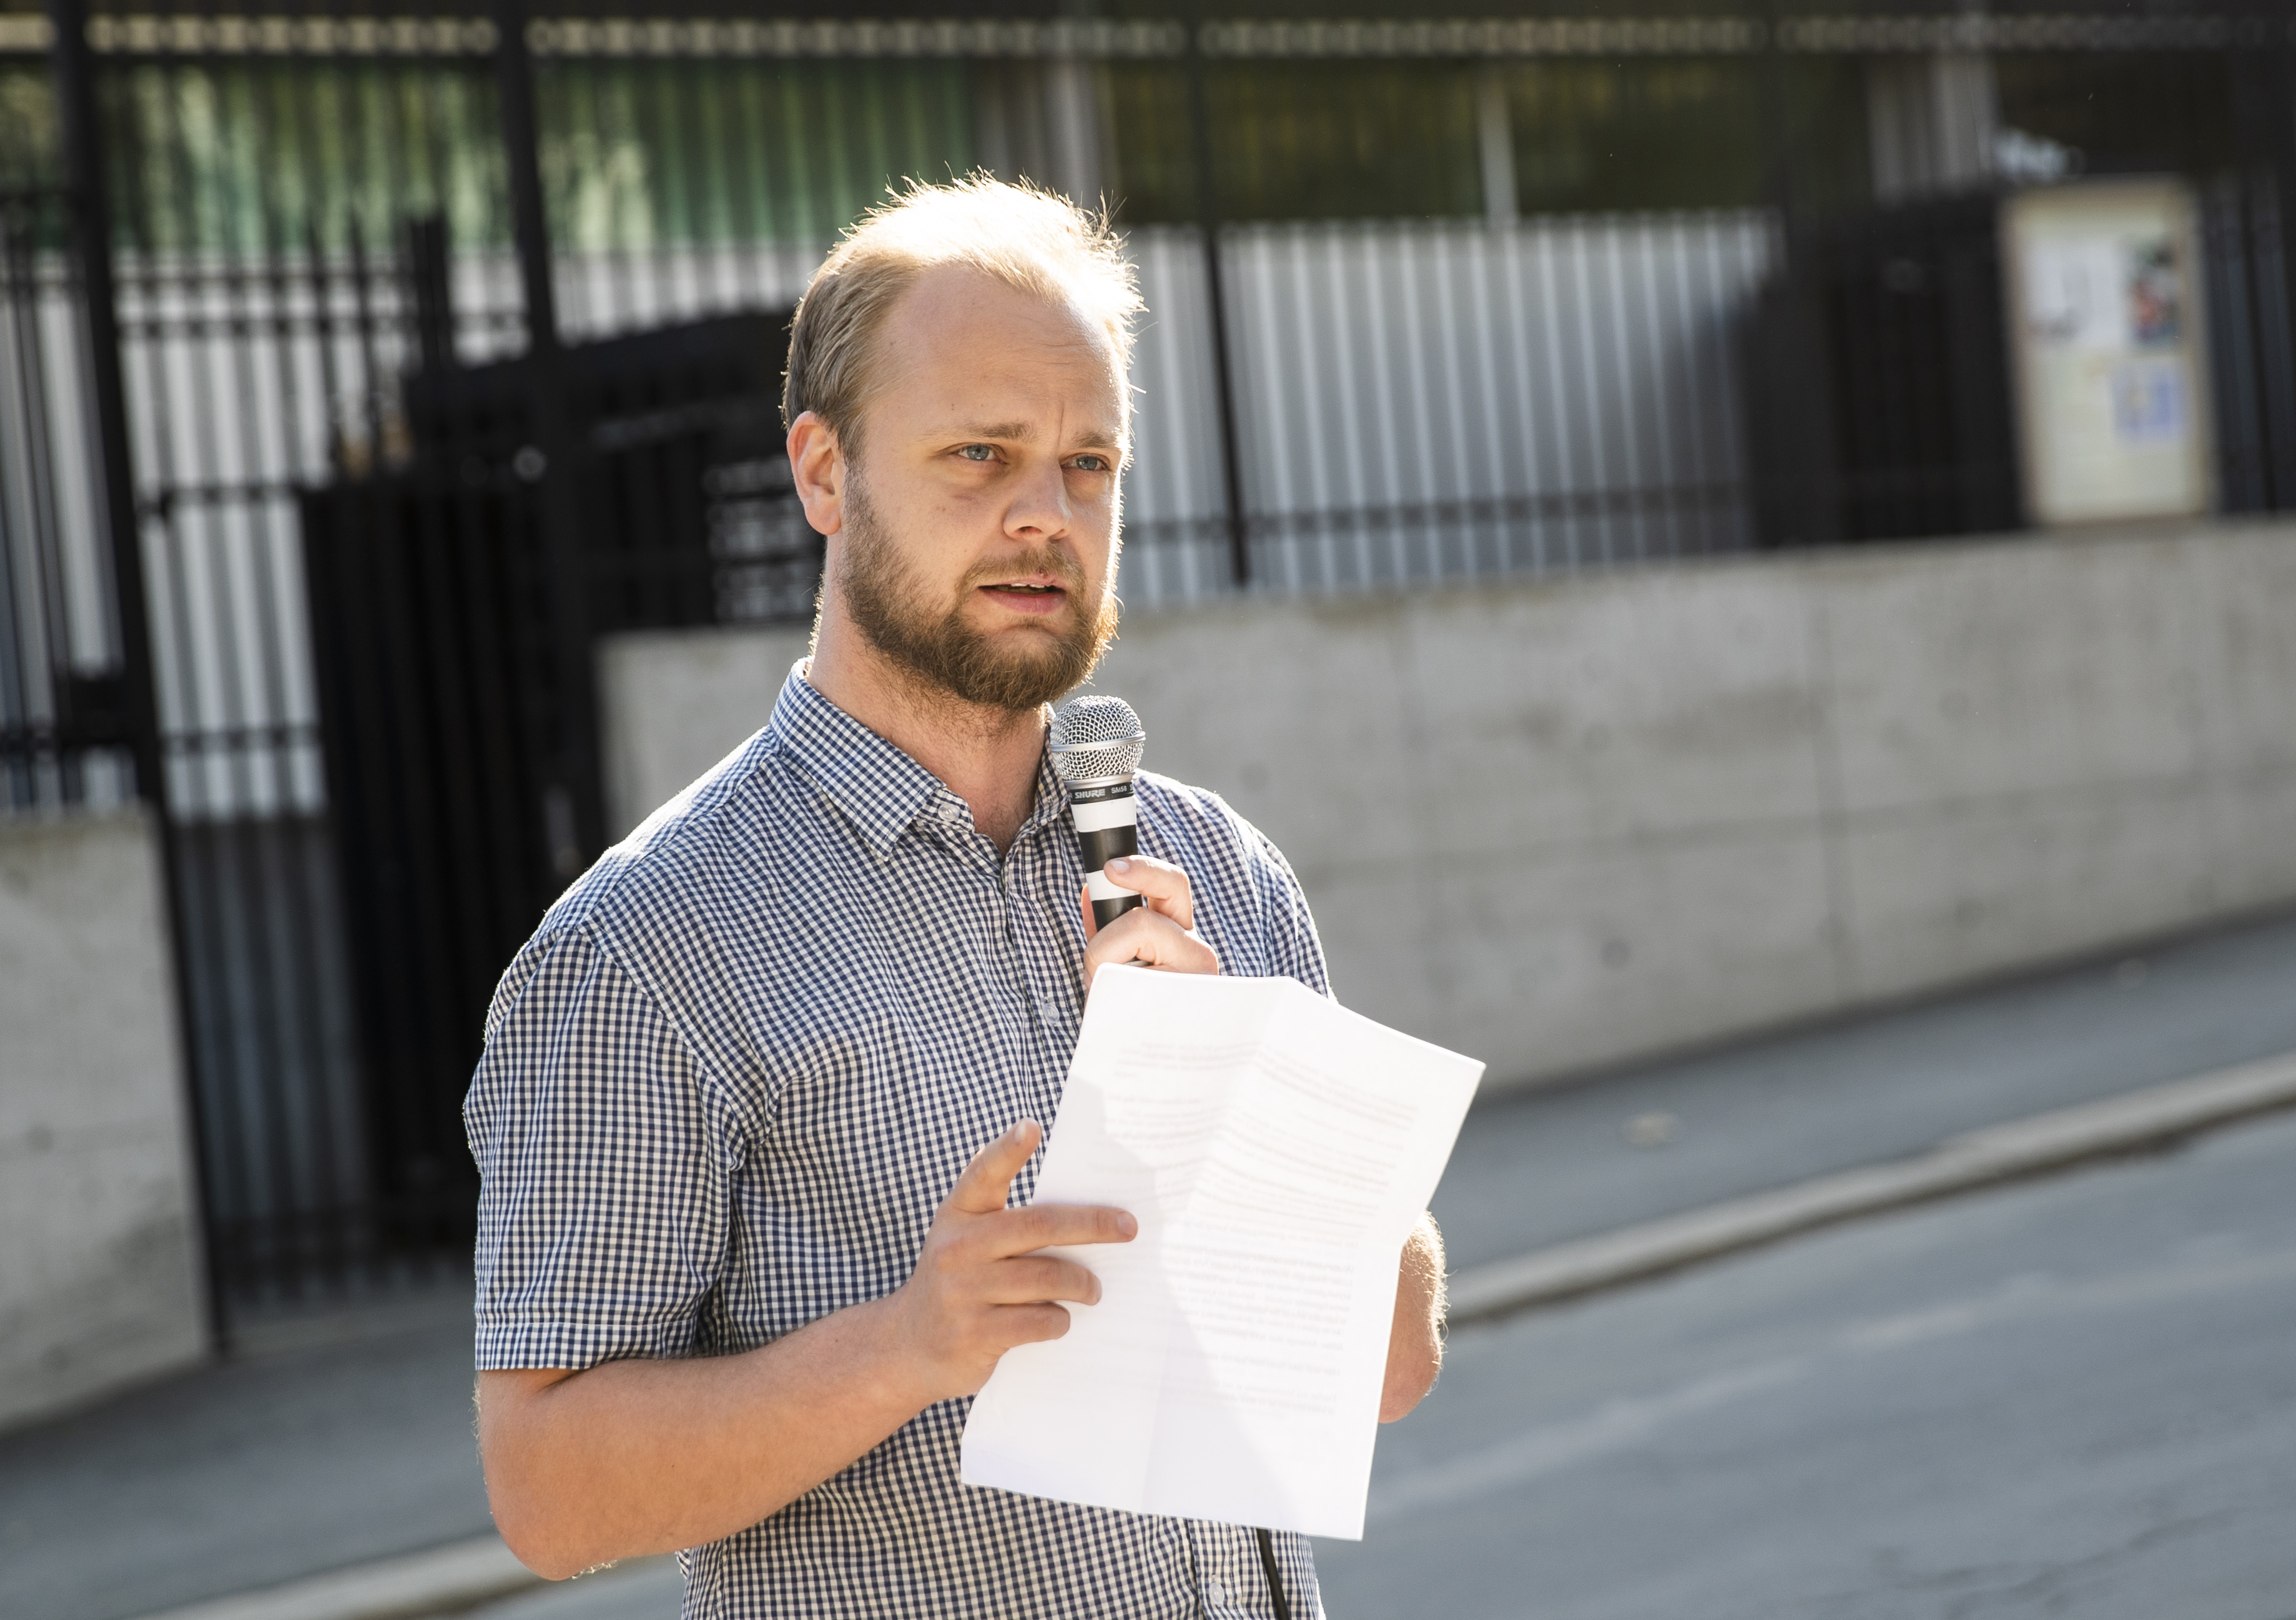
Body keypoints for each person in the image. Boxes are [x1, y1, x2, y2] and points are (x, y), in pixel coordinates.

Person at [466, 176, 1447, 1620]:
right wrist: (913, 1343)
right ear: (823, 473)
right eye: (980, 454)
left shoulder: (1213, 867)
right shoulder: (646, 947)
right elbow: (544, 1486)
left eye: (1088, 463)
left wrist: (1243, 1089)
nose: (1045, 515)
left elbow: (1396, 1365)